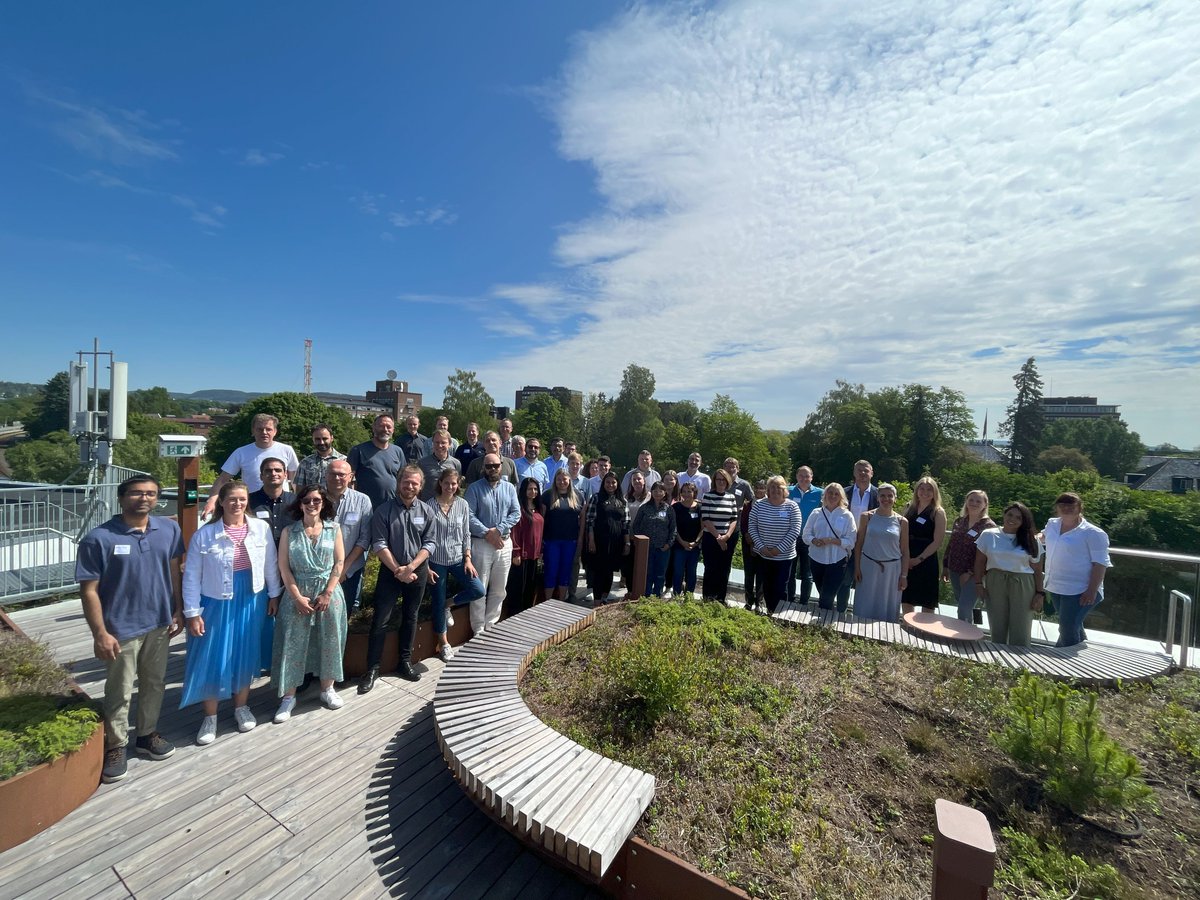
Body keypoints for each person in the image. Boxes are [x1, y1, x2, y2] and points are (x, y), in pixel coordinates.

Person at [76, 475, 184, 783]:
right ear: (122, 498)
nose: (144, 498)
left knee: (154, 682)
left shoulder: (169, 529)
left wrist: (177, 608)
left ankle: (146, 734)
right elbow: (89, 590)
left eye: (151, 493)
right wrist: (99, 632)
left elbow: (174, 569)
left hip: (160, 622)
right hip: (120, 627)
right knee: (119, 689)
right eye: (137, 493)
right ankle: (116, 744)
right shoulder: (99, 538)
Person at [182, 481, 283, 745]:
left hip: (252, 597)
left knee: (244, 652)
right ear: (222, 502)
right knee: (212, 656)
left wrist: (274, 594)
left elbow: (270, 563)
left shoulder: (259, 529)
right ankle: (210, 716)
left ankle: (241, 707)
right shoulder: (204, 535)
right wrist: (192, 613)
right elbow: (191, 576)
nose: (237, 504)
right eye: (232, 499)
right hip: (216, 599)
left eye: (242, 499)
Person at [271, 485, 347, 723]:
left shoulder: (334, 529)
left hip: (328, 593)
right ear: (300, 503)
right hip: (298, 593)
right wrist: (296, 596)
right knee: (292, 643)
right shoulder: (289, 532)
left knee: (330, 640)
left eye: (316, 500)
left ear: (323, 503)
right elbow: (283, 567)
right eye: (306, 500)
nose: (311, 504)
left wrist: (328, 592)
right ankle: (288, 697)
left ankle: (327, 689)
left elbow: (339, 562)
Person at [359, 466, 435, 692]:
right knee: (380, 619)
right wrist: (398, 570)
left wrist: (411, 567)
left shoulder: (426, 511)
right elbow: (379, 544)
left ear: (420, 486)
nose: (409, 486)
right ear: (398, 482)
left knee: (411, 617)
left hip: (417, 571)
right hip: (390, 572)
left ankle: (404, 662)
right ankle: (372, 668)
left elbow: (429, 543)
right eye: (406, 482)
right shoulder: (383, 511)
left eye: (414, 483)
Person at [427, 468, 485, 660]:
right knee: (436, 600)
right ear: (440, 483)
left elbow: (467, 534)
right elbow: (424, 537)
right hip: (436, 561)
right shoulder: (429, 506)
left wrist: (468, 558)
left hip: (458, 559)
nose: (450, 487)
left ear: (458, 484)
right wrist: (426, 565)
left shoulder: (462, 504)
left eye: (454, 483)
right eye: (447, 483)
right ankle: (444, 643)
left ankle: (448, 604)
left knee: (478, 590)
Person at [1042, 492, 1112, 648]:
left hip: (1080, 590)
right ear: (1057, 508)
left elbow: (1100, 564)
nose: (1066, 509)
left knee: (1066, 627)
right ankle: (1080, 654)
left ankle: (1065, 661)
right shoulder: (1052, 524)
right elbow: (1044, 536)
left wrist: (1091, 591)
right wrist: (1033, 538)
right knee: (1073, 624)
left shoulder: (1093, 533)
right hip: (1056, 586)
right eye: (1062, 505)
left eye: (1071, 506)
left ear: (1080, 507)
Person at [974, 502, 1045, 646]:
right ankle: (998, 658)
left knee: (1021, 623)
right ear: (1004, 514)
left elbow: (1038, 570)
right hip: (995, 580)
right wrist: (979, 583)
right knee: (997, 622)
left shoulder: (1031, 539)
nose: (1012, 519)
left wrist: (1040, 593)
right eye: (1010, 514)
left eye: (1018, 517)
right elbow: (979, 562)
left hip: (1023, 582)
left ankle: (1019, 661)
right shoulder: (989, 535)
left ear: (1023, 521)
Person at [203, 413, 299, 518]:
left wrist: (300, 501)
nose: (264, 432)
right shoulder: (241, 452)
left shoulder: (287, 450)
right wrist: (212, 500)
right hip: (252, 505)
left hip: (281, 504)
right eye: (260, 429)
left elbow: (295, 479)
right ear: (253, 431)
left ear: (275, 431)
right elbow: (222, 480)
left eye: (268, 429)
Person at [466, 453, 521, 633]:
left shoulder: (510, 488)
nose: (492, 469)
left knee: (499, 589)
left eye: (495, 465)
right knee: (479, 589)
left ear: (501, 465)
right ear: (483, 468)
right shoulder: (474, 489)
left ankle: (491, 625)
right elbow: (469, 515)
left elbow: (516, 513)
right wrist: (487, 533)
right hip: (481, 544)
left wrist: (498, 530)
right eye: (488, 466)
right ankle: (478, 629)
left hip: (504, 544)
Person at [853, 483, 909, 622]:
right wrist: (857, 568)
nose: (886, 499)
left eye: (890, 496)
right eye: (883, 495)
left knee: (887, 605)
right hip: (868, 566)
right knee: (865, 602)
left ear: (895, 498)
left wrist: (904, 575)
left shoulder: (902, 521)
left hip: (892, 570)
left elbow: (905, 551)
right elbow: (859, 545)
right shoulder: (867, 517)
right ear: (877, 497)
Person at [749, 476, 803, 615]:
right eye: (772, 487)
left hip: (784, 557)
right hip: (764, 555)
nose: (775, 490)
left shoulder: (792, 506)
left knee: (781, 588)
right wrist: (761, 547)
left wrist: (779, 549)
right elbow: (752, 526)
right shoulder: (759, 504)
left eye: (779, 487)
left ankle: (779, 616)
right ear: (768, 490)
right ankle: (769, 613)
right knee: (766, 587)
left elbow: (795, 529)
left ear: (784, 490)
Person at [325, 460, 372, 615]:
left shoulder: (362, 501)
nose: (337, 478)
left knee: (344, 614)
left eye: (342, 474)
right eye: (333, 474)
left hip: (349, 570)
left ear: (351, 476)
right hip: (320, 570)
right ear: (326, 475)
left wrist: (343, 569)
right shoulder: (315, 499)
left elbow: (364, 538)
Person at [802, 482, 858, 612]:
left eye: (836, 494)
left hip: (837, 561)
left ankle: (822, 624)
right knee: (823, 594)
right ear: (825, 495)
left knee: (826, 597)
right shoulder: (816, 513)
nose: (833, 496)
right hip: (817, 559)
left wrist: (833, 541)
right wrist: (814, 540)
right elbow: (806, 535)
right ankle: (827, 618)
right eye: (830, 493)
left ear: (841, 497)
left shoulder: (847, 515)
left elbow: (851, 541)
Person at [943, 490, 996, 622]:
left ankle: (964, 639)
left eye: (978, 501)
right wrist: (945, 566)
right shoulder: (960, 521)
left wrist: (970, 573)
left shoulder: (989, 527)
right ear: (966, 502)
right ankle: (969, 633)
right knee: (962, 604)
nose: (974, 503)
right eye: (971, 500)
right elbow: (951, 544)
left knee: (964, 608)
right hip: (954, 569)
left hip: (974, 574)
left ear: (985, 504)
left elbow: (989, 555)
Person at [838, 460, 879, 611]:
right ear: (854, 473)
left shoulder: (879, 495)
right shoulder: (844, 493)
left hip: (869, 545)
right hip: (846, 543)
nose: (862, 473)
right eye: (859, 470)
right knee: (845, 581)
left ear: (872, 473)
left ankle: (861, 613)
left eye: (866, 471)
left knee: (866, 581)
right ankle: (841, 612)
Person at [902, 476, 947, 614]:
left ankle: (924, 633)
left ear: (935, 492)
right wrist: (906, 558)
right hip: (907, 555)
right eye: (922, 488)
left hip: (926, 559)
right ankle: (907, 629)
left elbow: (937, 541)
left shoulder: (938, 512)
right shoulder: (909, 507)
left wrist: (918, 559)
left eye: (929, 489)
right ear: (917, 490)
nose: (925, 492)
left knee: (927, 599)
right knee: (907, 596)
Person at [584, 471, 629, 604]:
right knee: (599, 571)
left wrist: (627, 543)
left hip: (616, 542)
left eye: (613, 482)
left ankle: (604, 598)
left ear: (617, 484)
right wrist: (591, 541)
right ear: (603, 484)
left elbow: (626, 523)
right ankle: (597, 602)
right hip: (599, 541)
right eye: (608, 482)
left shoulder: (622, 501)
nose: (610, 485)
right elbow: (590, 521)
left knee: (610, 571)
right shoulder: (596, 498)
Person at [347, 414, 407, 509]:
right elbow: (348, 479)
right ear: (374, 428)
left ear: (393, 430)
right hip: (366, 508)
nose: (385, 429)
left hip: (392, 506)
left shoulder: (398, 451)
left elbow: (403, 478)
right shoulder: (358, 450)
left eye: (389, 427)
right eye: (381, 426)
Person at [542, 469, 584, 602]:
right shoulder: (547, 495)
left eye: (564, 479)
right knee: (551, 571)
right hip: (551, 540)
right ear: (555, 481)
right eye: (559, 479)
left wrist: (581, 538)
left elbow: (582, 519)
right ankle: (548, 602)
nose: (562, 482)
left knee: (565, 571)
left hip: (570, 541)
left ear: (569, 480)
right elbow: (541, 519)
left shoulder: (578, 496)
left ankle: (561, 601)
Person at [507, 477, 545, 615]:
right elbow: (514, 532)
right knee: (518, 588)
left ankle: (527, 614)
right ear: (524, 490)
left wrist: (540, 550)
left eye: (535, 489)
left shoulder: (539, 508)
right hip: (522, 556)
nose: (533, 492)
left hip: (534, 555)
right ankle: (515, 615)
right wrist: (516, 552)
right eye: (530, 489)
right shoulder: (519, 509)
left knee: (531, 586)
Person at [700, 468, 739, 603]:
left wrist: (727, 536)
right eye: (718, 479)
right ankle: (708, 598)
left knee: (724, 569)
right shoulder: (707, 496)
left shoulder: (731, 497)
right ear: (714, 481)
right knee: (711, 568)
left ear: (727, 481)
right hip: (711, 538)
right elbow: (706, 519)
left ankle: (720, 599)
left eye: (723, 479)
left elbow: (734, 518)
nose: (721, 482)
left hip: (727, 538)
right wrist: (718, 538)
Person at [788, 466, 825, 606]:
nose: (804, 479)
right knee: (790, 572)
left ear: (812, 477)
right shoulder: (788, 491)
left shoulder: (820, 493)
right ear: (797, 476)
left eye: (807, 476)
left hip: (809, 538)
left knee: (807, 573)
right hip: (791, 537)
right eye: (801, 476)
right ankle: (789, 599)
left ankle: (804, 602)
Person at [632, 480, 676, 597]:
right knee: (647, 573)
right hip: (647, 548)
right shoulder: (644, 508)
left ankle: (657, 596)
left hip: (663, 548)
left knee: (660, 574)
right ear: (651, 492)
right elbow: (636, 526)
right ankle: (645, 596)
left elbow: (673, 529)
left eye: (660, 491)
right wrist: (640, 542)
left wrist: (668, 544)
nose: (657, 493)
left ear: (665, 493)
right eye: (655, 490)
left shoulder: (669, 509)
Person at [248, 456, 297, 547]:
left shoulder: (296, 501)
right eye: (268, 470)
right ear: (261, 476)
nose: (273, 473)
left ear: (285, 475)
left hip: (290, 555)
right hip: (260, 554)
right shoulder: (248, 501)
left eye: (278, 470)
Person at [739, 479, 768, 611]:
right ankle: (748, 601)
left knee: (762, 574)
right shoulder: (747, 505)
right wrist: (749, 538)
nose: (758, 490)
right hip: (748, 543)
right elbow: (743, 524)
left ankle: (759, 602)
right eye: (756, 487)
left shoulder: (770, 505)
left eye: (762, 488)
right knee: (749, 573)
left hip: (764, 544)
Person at [672, 482, 703, 596]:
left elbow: (703, 527)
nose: (686, 494)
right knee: (678, 572)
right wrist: (682, 542)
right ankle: (676, 594)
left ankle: (688, 596)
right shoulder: (676, 507)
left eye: (689, 491)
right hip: (679, 545)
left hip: (694, 547)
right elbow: (673, 527)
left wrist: (695, 542)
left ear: (694, 493)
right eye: (684, 491)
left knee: (691, 572)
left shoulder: (700, 507)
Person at [295, 423, 347, 490]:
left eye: (325, 439)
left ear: (332, 438)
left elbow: (350, 488)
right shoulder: (305, 463)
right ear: (312, 439)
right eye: (317, 439)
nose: (321, 442)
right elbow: (299, 490)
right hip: (313, 500)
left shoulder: (344, 461)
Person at [417, 430, 461, 500]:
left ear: (449, 444)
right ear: (432, 443)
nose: (440, 445)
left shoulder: (456, 463)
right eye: (437, 442)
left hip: (448, 506)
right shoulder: (422, 463)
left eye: (443, 443)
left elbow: (457, 486)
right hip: (427, 506)